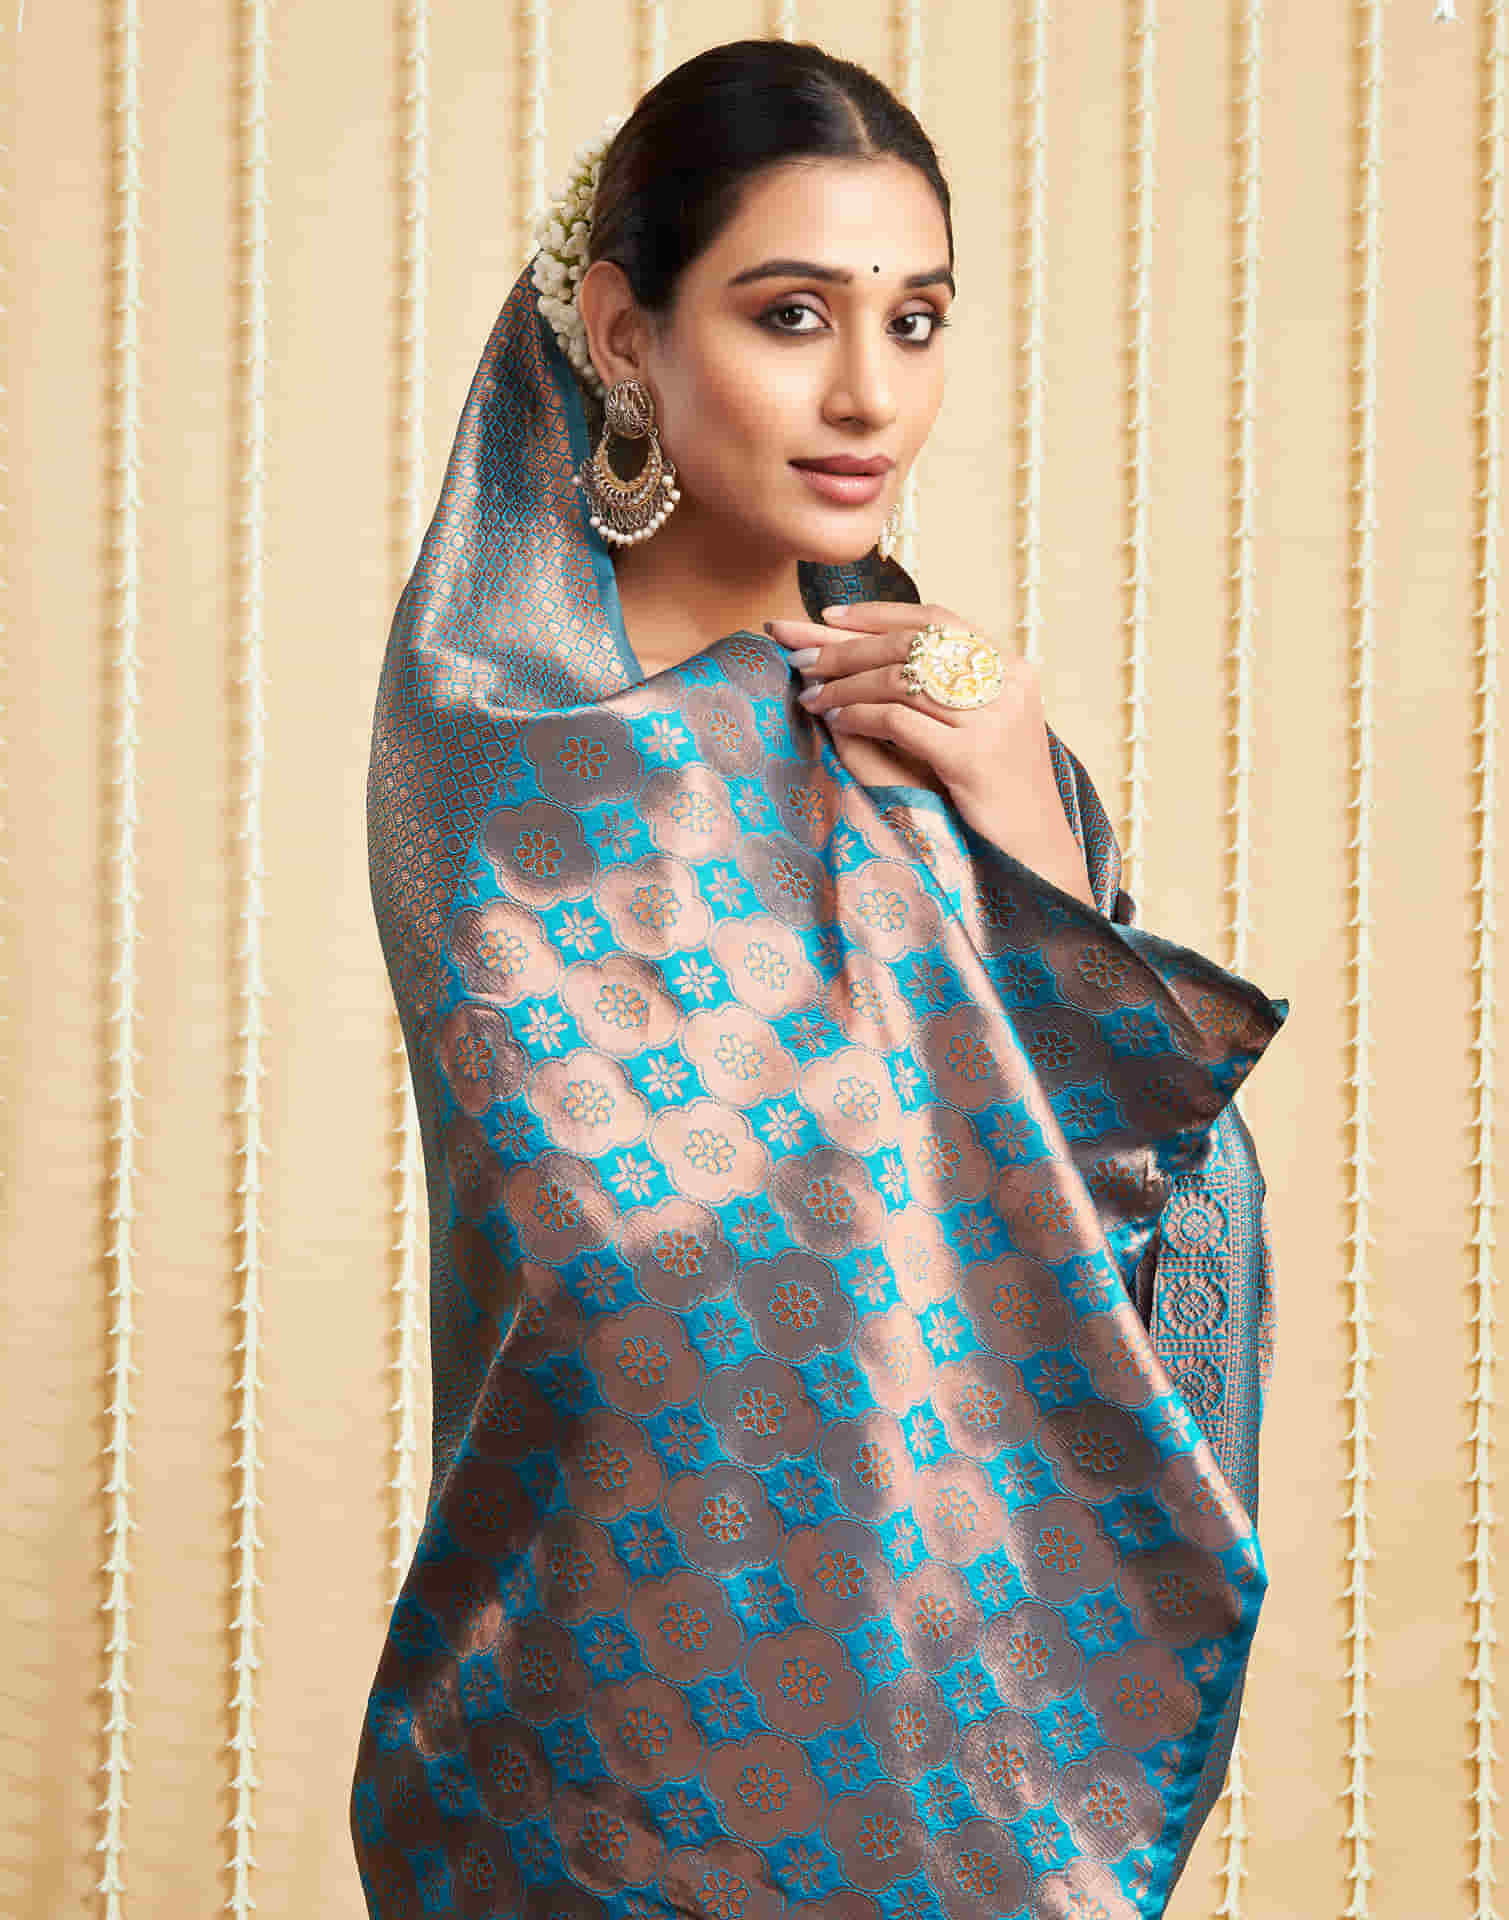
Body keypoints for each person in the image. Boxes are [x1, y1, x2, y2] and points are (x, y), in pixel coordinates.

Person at [352, 37, 1290, 1920]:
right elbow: (617, 1259)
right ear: (621, 331)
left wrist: (1020, 812)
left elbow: (1141, 1206)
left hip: (956, 1701)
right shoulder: (503, 746)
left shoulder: (948, 725)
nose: (869, 394)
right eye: (790, 316)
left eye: (917, 321)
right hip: (594, 1700)